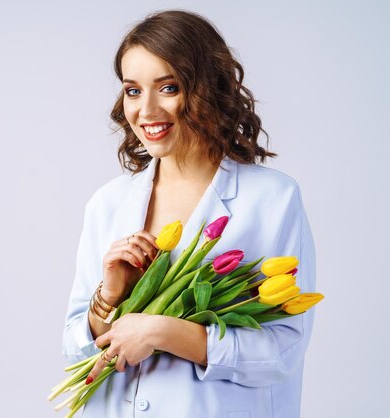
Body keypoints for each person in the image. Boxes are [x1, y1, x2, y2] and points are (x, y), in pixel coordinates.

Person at [61, 10, 317, 418]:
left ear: (204, 89)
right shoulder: (107, 203)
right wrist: (107, 298)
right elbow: (76, 348)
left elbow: (281, 351)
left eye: (168, 87)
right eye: (132, 90)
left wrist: (166, 332)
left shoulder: (272, 199)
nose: (145, 110)